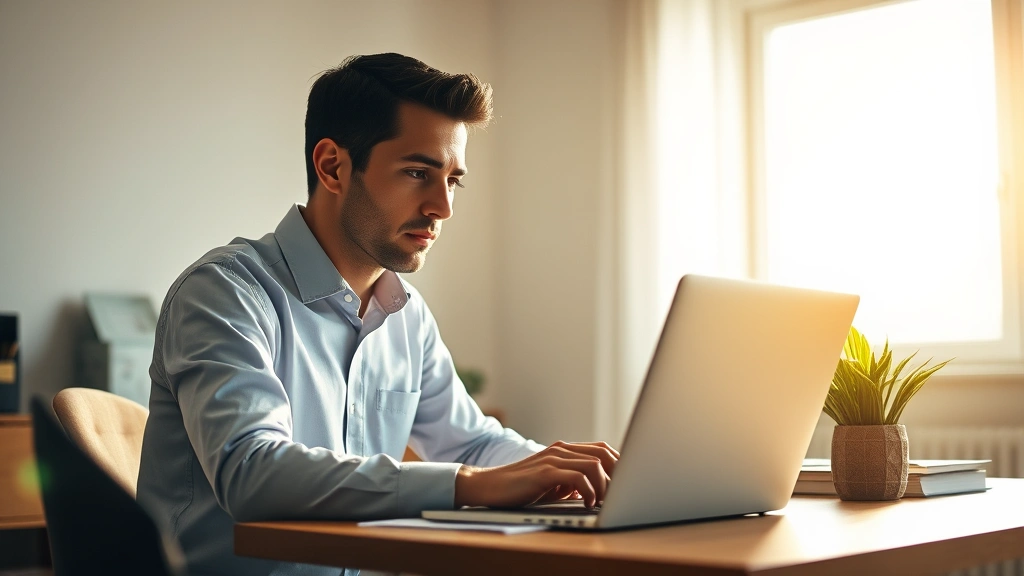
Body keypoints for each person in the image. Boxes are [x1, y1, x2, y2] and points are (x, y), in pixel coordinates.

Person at [137, 53, 618, 576]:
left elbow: (473, 442)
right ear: (333, 167)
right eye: (418, 172)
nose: (443, 207)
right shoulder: (224, 293)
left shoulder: (406, 317)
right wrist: (472, 485)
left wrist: (570, 474)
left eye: (453, 180)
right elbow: (251, 473)